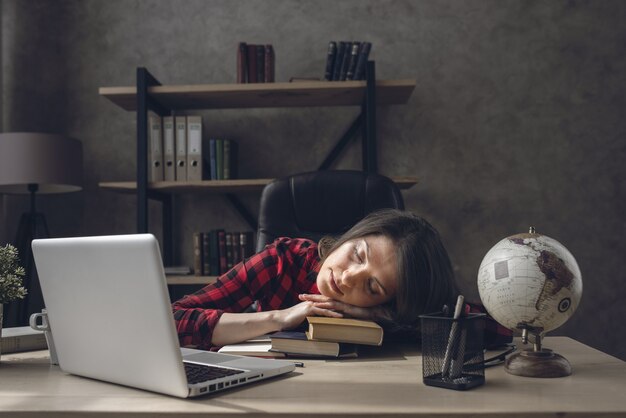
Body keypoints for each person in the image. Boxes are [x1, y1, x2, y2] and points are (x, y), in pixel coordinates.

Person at [172, 209, 511, 349]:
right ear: (353, 235)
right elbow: (171, 320)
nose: (347, 278)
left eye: (373, 287)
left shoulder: (388, 310)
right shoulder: (284, 261)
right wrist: (280, 318)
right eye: (358, 254)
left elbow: (502, 330)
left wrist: (392, 319)